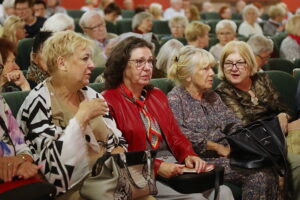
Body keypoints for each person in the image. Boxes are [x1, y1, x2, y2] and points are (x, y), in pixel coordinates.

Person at [102, 36, 234, 200]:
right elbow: (118, 152)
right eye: (139, 62)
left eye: (150, 61)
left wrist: (188, 155)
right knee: (196, 199)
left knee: (225, 192)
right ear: (122, 64)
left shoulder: (156, 95)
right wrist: (156, 167)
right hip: (140, 173)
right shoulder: (108, 100)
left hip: (176, 167)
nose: (147, 67)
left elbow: (176, 135)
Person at [17, 31, 127, 197]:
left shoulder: (91, 95)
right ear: (62, 63)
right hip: (71, 191)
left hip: (108, 181)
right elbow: (52, 172)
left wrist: (118, 154)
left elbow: (119, 141)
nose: (92, 64)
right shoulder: (38, 103)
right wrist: (81, 119)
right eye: (85, 58)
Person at [167, 45, 279, 200]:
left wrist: (242, 143)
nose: (212, 74)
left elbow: (233, 123)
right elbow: (179, 134)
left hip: (228, 154)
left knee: (269, 165)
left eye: (211, 68)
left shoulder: (211, 96)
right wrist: (217, 146)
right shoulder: (175, 98)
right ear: (188, 76)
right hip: (200, 160)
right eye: (205, 69)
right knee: (258, 173)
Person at [215, 40, 300, 199]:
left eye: (240, 62)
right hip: (261, 145)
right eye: (228, 63)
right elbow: (246, 127)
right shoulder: (223, 91)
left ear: (250, 63)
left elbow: (286, 109)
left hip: (281, 135)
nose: (234, 68)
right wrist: (280, 123)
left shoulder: (262, 79)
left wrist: (283, 116)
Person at [0, 54, 39, 183]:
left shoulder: (1, 103)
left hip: (15, 180)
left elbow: (24, 148)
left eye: (0, 68)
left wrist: (18, 162)